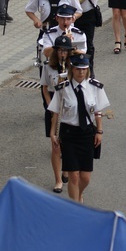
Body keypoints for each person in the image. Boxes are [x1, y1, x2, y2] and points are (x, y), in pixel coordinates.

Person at [48, 53, 109, 203]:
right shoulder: (63, 88)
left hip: (87, 133)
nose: (81, 72)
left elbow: (98, 112)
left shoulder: (95, 87)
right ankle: (75, 206)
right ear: (72, 69)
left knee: (85, 177)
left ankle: (79, 194)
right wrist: (52, 133)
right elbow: (56, 112)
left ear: (87, 69)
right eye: (77, 69)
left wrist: (99, 131)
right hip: (69, 133)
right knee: (73, 175)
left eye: (84, 69)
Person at [40, 35, 73, 193]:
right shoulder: (48, 66)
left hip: (69, 104)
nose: (63, 54)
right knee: (55, 145)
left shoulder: (73, 66)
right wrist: (49, 106)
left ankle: (66, 170)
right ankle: (58, 180)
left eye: (66, 51)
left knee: (67, 142)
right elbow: (45, 88)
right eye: (60, 50)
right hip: (54, 103)